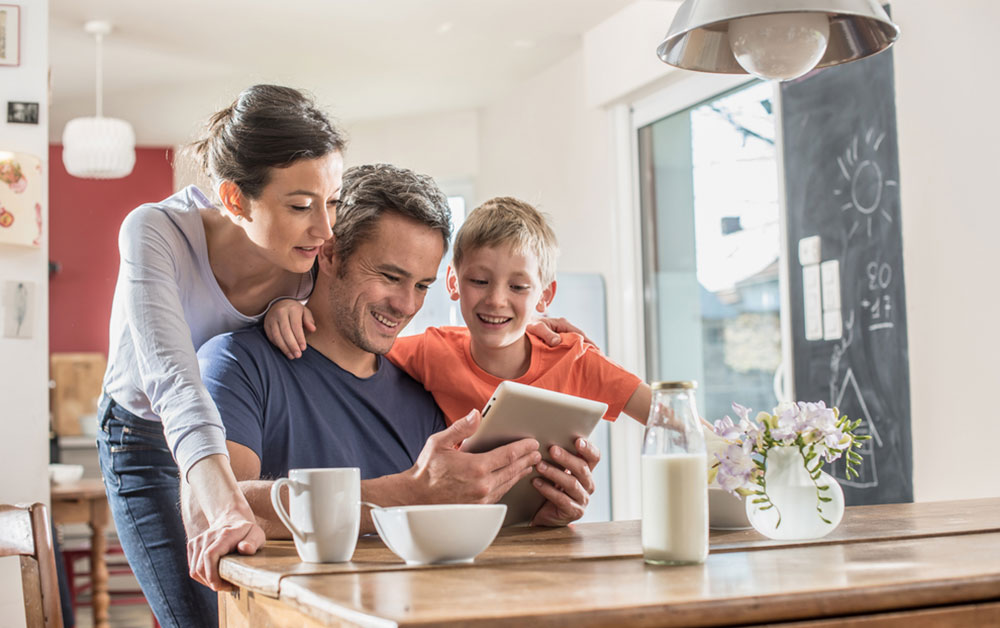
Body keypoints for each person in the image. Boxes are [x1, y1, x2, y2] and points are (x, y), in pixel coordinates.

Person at [190, 164, 600, 553]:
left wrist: (540, 517)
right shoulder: (238, 365)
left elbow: (450, 528)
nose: (406, 305)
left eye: (422, 285)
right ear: (330, 254)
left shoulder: (424, 393)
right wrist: (409, 492)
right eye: (390, 277)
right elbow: (215, 508)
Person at [96, 84, 345, 628]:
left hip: (244, 436)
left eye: (334, 201)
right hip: (143, 438)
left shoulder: (309, 256)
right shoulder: (155, 232)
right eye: (302, 206)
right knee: (199, 614)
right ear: (234, 199)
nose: (326, 230)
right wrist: (229, 506)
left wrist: (533, 329)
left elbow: (379, 310)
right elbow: (175, 382)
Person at [386, 196, 652, 425]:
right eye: (480, 281)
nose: (496, 300)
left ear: (544, 296)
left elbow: (670, 416)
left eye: (518, 286)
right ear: (453, 282)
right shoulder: (432, 352)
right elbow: (355, 352)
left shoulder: (572, 358)